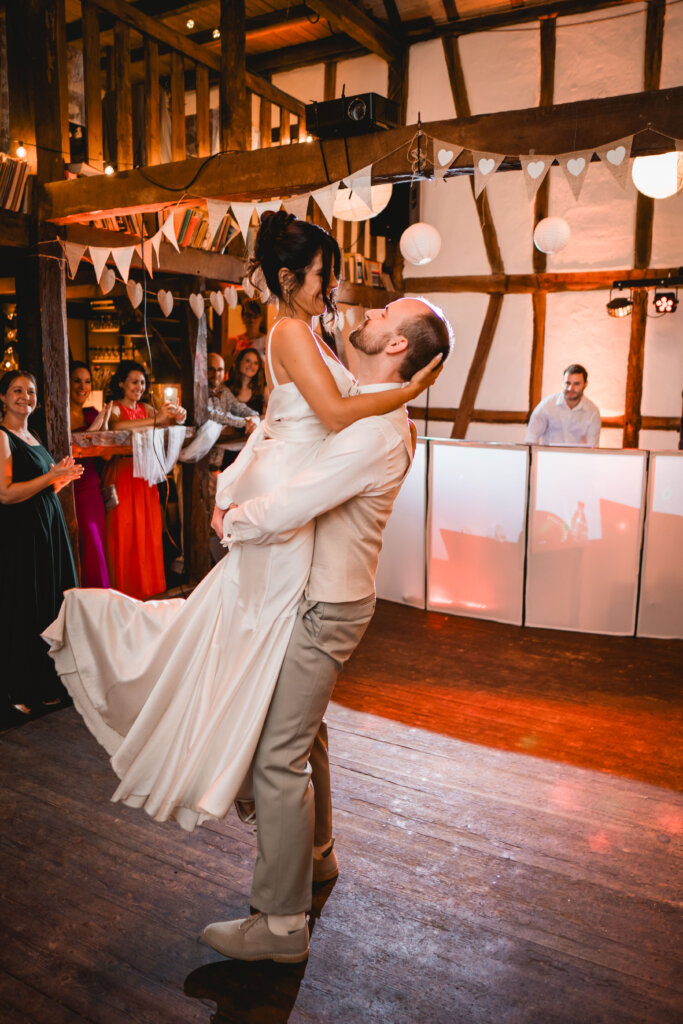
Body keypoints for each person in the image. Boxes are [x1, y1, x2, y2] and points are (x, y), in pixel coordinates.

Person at [42, 211, 442, 836]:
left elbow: (286, 421)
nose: (332, 287)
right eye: (324, 275)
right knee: (249, 647)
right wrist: (409, 394)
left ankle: (267, 784)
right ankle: (253, 775)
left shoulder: (315, 333)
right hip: (286, 513)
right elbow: (336, 413)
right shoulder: (289, 333)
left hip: (294, 507)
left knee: (260, 659)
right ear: (288, 279)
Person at [202, 295, 453, 964]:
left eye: (384, 313)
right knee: (305, 734)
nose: (368, 312)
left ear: (396, 346)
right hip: (324, 596)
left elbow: (296, 502)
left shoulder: (376, 429)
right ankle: (316, 855)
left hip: (326, 605)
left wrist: (231, 520)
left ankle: (281, 924)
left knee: (276, 756)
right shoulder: (365, 404)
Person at [0, 370, 81, 718]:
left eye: (30, 391)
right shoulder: (3, 436)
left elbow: (41, 489)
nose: (25, 397)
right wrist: (49, 476)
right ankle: (20, 688)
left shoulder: (31, 435)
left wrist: (60, 479)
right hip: (22, 534)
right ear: (3, 398)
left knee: (49, 603)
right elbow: (5, 494)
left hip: (48, 527)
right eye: (17, 390)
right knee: (26, 606)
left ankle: (47, 684)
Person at [105, 359, 186, 599]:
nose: (139, 387)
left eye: (142, 382)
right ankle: (123, 589)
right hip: (123, 473)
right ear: (121, 383)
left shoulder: (148, 409)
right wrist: (156, 420)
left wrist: (178, 416)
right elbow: (117, 426)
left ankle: (148, 589)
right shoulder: (114, 407)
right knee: (124, 528)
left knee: (147, 527)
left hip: (144, 475)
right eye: (133, 382)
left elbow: (165, 422)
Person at [69, 362, 112, 588]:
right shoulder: (57, 416)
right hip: (67, 486)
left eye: (87, 382)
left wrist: (103, 426)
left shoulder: (92, 414)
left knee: (95, 543)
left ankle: (99, 596)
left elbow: (106, 455)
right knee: (74, 546)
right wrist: (93, 429)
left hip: (90, 488)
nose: (82, 387)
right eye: (77, 381)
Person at [525, 364, 601, 447]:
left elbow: (593, 446)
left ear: (585, 384)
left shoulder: (593, 412)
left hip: (578, 455)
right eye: (567, 383)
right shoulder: (547, 405)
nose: (570, 388)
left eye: (576, 384)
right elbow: (531, 438)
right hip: (549, 455)